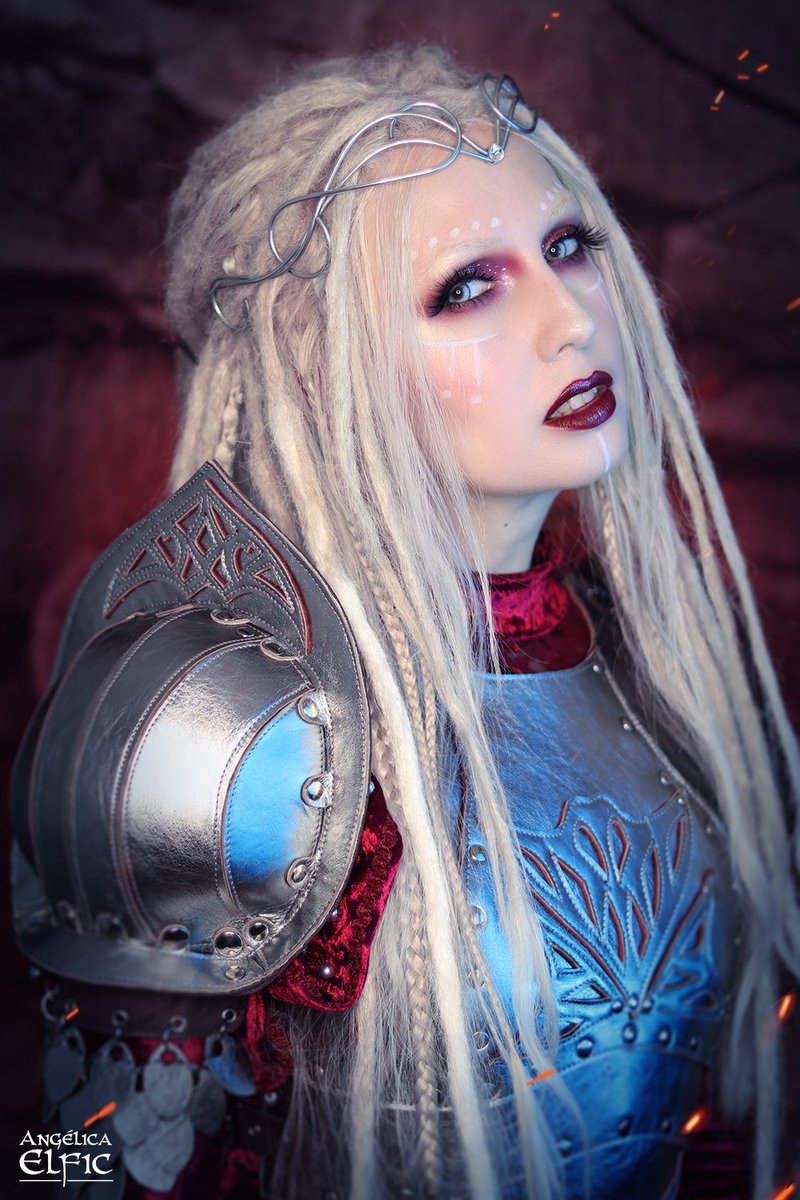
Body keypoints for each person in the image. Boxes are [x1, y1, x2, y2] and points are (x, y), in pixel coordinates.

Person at [10, 46, 800, 1200]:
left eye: (568, 246)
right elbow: (74, 1164)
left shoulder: (659, 664)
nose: (571, 322)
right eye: (466, 288)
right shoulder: (219, 719)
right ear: (315, 364)